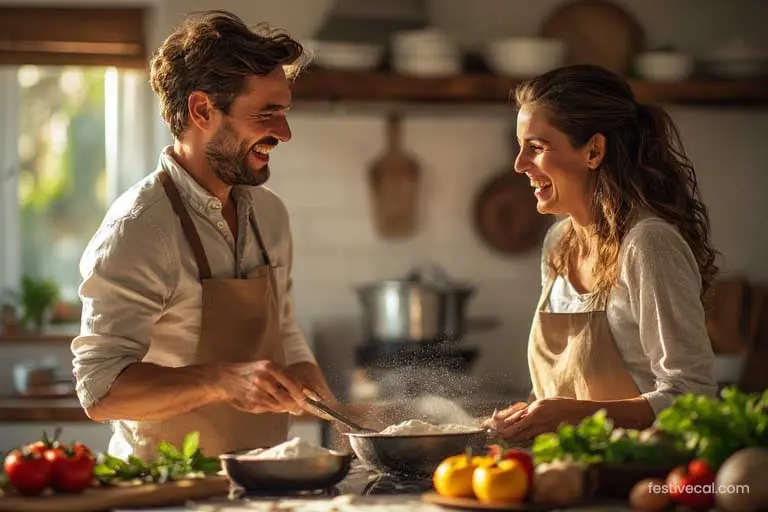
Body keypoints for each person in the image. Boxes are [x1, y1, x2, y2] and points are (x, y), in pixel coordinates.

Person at [71, 10, 339, 459]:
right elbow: (100, 392)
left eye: (285, 113)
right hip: (163, 492)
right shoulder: (140, 229)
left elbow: (284, 330)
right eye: (267, 114)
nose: (284, 133)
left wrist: (336, 412)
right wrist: (219, 380)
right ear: (201, 110)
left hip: (261, 483)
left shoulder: (270, 215)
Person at [485, 64, 719, 442]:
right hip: (569, 475)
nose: (519, 165)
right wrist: (529, 415)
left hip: (640, 479)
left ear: (593, 150)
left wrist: (576, 415)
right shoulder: (559, 243)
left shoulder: (648, 246)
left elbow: (693, 395)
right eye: (520, 147)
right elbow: (567, 391)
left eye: (536, 148)